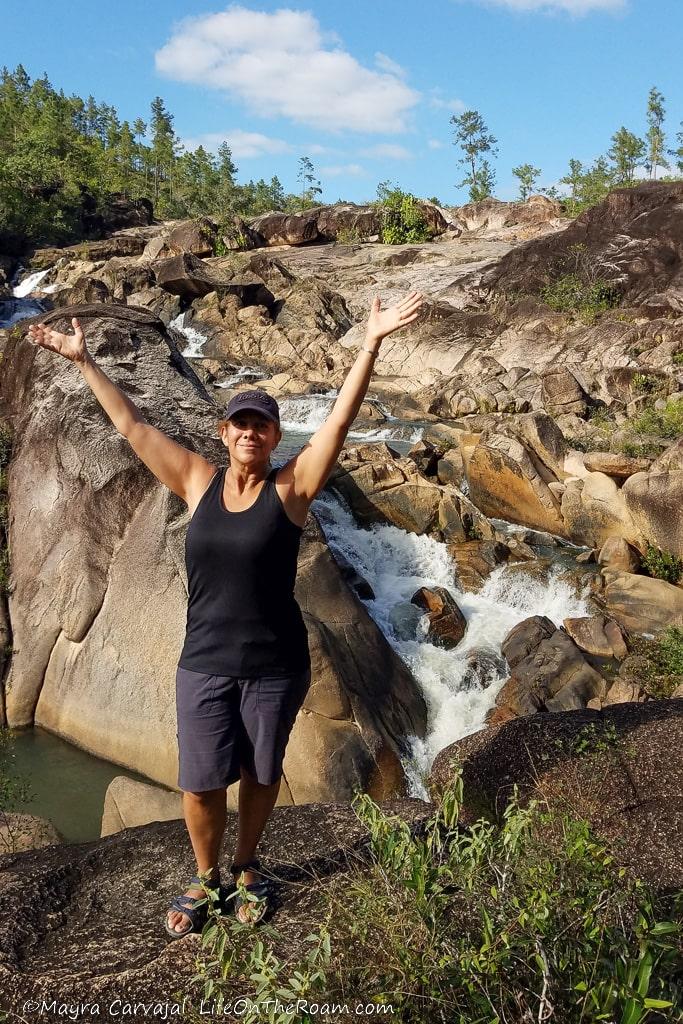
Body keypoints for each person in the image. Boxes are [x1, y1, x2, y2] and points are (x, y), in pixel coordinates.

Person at [27, 288, 424, 937]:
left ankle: (246, 866)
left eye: (260, 424)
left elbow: (337, 427)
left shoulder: (290, 490)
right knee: (201, 783)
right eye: (239, 422)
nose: (249, 432)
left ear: (272, 437)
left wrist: (372, 341)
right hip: (205, 662)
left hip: (274, 665)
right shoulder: (196, 481)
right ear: (224, 433)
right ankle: (206, 874)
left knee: (260, 773)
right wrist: (83, 360)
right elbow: (131, 427)